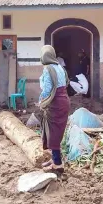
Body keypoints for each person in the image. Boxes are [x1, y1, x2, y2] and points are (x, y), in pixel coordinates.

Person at [38, 45, 70, 175]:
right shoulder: (60, 67)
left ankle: (57, 165)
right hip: (64, 101)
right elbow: (66, 83)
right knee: (57, 133)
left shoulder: (47, 69)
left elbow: (47, 89)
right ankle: (54, 160)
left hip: (55, 103)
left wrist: (41, 101)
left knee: (53, 134)